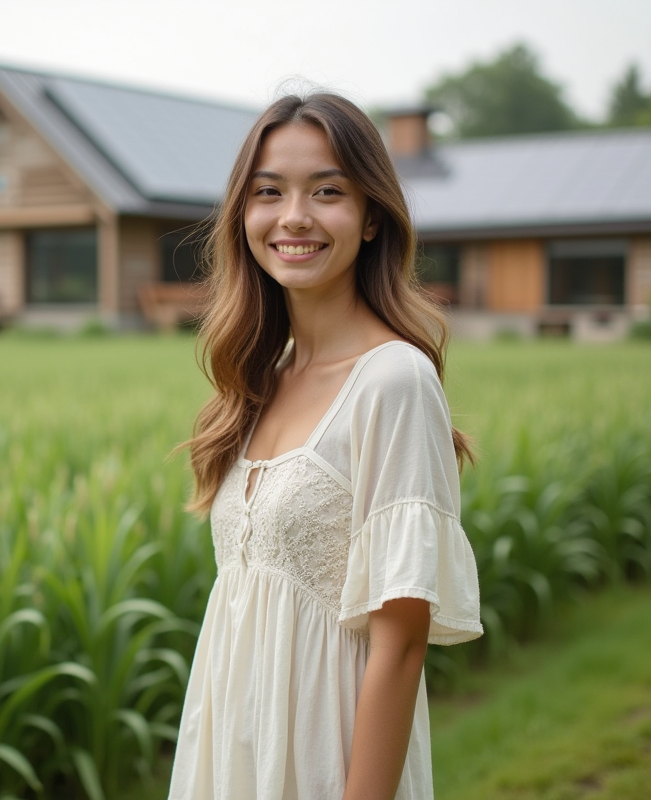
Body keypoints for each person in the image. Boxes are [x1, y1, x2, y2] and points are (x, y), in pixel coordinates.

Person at [169, 92, 483, 800]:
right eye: (268, 192)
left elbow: (401, 644)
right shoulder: (261, 381)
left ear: (371, 217)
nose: (294, 216)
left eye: (327, 191)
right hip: (231, 754)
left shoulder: (394, 382)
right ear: (242, 215)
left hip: (325, 760)